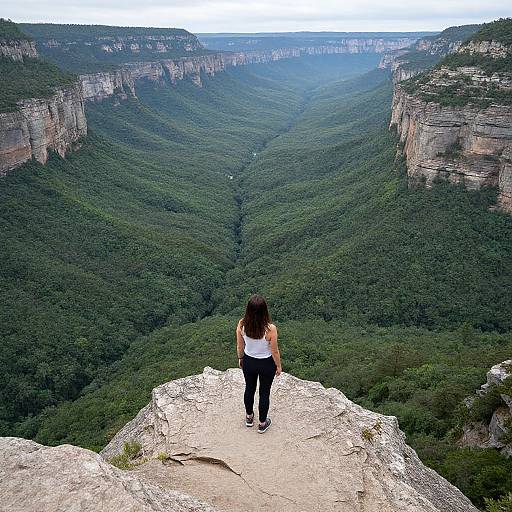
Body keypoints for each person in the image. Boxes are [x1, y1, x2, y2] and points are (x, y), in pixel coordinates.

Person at [236, 294, 282, 433]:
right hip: (266, 364)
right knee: (264, 392)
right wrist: (278, 366)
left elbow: (240, 346)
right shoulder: (270, 329)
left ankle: (249, 417)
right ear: (265, 310)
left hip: (249, 361)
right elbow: (274, 351)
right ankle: (262, 423)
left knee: (249, 389)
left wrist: (240, 358)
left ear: (248, 309)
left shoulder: (242, 324)